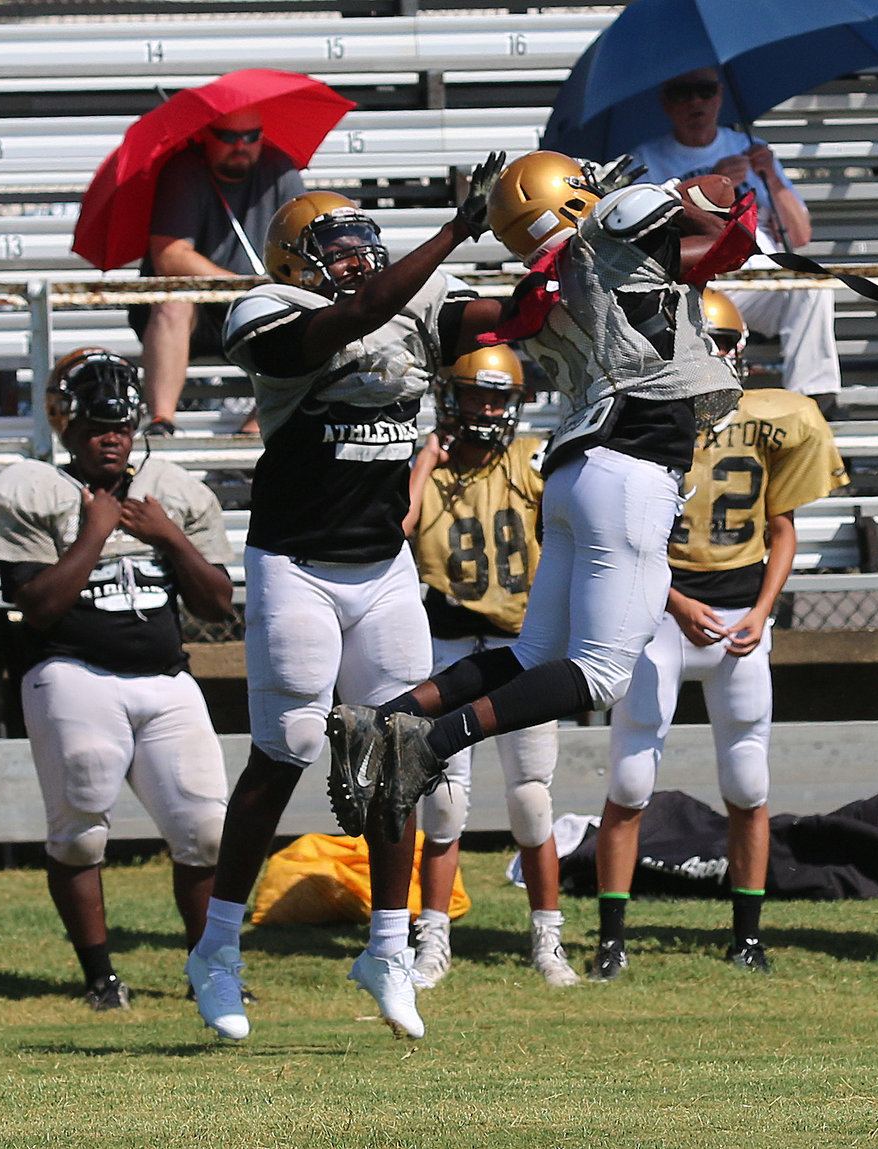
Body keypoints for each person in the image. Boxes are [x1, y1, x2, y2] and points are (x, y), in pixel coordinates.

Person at [326, 150, 746, 879]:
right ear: (571, 199)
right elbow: (713, 197)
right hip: (633, 469)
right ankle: (429, 741)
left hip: (580, 468)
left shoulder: (545, 281)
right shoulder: (612, 229)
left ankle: (387, 716)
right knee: (601, 674)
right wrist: (690, 185)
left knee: (532, 655)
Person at [183, 156, 508, 1043]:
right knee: (284, 749)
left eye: (366, 242)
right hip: (296, 563)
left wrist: (556, 246)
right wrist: (451, 229)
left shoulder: (414, 298)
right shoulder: (265, 311)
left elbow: (503, 318)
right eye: (336, 247)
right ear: (292, 259)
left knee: (399, 751)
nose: (359, 259)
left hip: (382, 568)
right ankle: (215, 949)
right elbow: (356, 317)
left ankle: (389, 947)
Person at [590, 288, 849, 981]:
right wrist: (673, 601)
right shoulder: (641, 416)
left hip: (739, 614)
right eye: (705, 343)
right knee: (631, 774)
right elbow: (621, 534)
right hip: (658, 615)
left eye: (727, 344)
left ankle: (748, 934)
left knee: (748, 778)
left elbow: (783, 527)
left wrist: (762, 611)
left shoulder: (774, 418)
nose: (717, 357)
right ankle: (612, 936)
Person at [0, 348, 234, 1010]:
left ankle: (210, 969)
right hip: (69, 670)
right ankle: (101, 976)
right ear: (67, 427)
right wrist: (92, 535)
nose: (113, 438)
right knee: (82, 831)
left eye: (121, 425)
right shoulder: (28, 491)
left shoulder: (169, 491)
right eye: (97, 427)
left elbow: (216, 604)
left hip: (165, 675)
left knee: (207, 830)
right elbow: (37, 605)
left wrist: (170, 537)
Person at [400, 345, 579, 989]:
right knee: (443, 807)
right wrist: (423, 462)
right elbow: (398, 526)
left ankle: (547, 941)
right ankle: (432, 943)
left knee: (532, 802)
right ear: (450, 397)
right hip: (448, 651)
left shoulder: (531, 462)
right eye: (477, 395)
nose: (488, 409)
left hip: (522, 650)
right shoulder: (430, 465)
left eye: (499, 397)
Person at [629, 67, 846, 420]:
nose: (696, 101)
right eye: (683, 93)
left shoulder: (748, 148)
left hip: (755, 281)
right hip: (690, 286)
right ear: (666, 103)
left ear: (720, 96)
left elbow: (801, 235)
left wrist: (772, 179)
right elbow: (643, 238)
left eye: (705, 90)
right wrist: (710, 183)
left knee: (811, 285)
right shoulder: (645, 160)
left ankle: (812, 405)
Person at [127, 106, 306, 436]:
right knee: (173, 300)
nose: (241, 146)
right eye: (228, 137)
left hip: (260, 307)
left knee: (313, 317)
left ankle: (256, 428)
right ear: (205, 136)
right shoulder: (183, 170)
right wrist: (242, 287)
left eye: (251, 136)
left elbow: (304, 246)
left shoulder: (280, 170)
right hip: (200, 312)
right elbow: (169, 257)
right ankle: (161, 421)